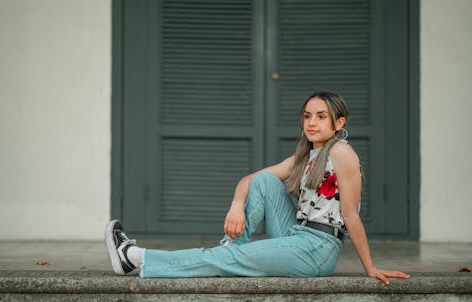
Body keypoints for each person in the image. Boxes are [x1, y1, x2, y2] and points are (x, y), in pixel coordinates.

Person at [105, 91, 410, 284]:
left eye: (321, 117)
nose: (311, 123)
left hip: (317, 248)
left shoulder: (342, 153)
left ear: (339, 122)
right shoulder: (308, 153)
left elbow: (351, 215)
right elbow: (250, 181)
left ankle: (135, 257)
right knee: (264, 181)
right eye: (307, 116)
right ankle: (230, 250)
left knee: (228, 258)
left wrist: (369, 267)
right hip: (295, 233)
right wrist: (237, 206)